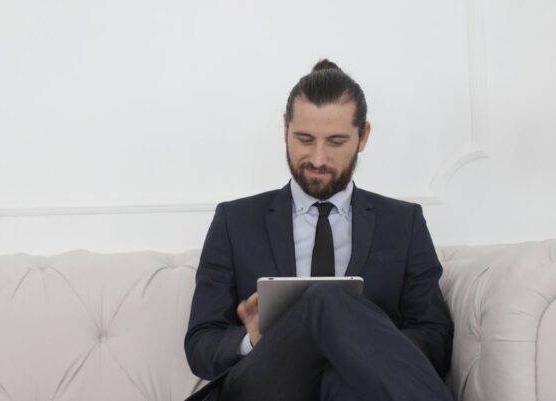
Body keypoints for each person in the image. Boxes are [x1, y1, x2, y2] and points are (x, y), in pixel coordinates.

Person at [183, 59, 454, 401]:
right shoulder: (234, 221)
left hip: (358, 390)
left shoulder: (403, 222)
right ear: (285, 130)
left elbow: (436, 337)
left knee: (340, 383)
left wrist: (354, 348)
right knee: (325, 297)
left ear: (363, 136)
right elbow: (200, 343)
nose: (318, 159)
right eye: (304, 139)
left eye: (336, 141)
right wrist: (250, 339)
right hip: (262, 387)